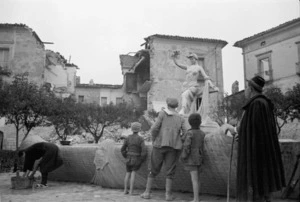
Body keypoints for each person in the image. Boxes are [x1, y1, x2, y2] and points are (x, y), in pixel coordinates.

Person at [236, 75, 285, 202]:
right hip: (263, 152)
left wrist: (237, 131)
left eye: (246, 88)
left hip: (256, 155)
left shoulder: (257, 104)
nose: (245, 90)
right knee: (264, 189)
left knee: (258, 188)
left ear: (251, 89)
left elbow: (254, 131)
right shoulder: (262, 103)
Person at [141, 98, 187, 201]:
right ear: (176, 106)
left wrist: (154, 139)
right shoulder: (180, 117)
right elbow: (186, 132)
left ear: (167, 104)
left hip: (159, 145)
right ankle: (168, 195)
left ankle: (147, 192)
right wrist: (179, 140)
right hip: (174, 147)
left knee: (153, 168)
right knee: (170, 171)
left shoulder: (162, 114)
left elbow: (154, 128)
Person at [180, 113, 205, 202]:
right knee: (198, 179)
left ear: (189, 122)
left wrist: (183, 156)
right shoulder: (202, 133)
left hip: (191, 158)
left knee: (194, 179)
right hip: (200, 157)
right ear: (200, 122)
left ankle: (196, 199)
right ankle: (197, 197)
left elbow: (187, 146)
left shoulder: (190, 133)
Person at [121, 122, 147, 195]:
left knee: (127, 173)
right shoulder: (140, 139)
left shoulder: (127, 138)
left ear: (132, 129)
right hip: (136, 158)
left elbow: (122, 149)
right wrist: (141, 159)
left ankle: (125, 190)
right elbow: (144, 150)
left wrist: (125, 156)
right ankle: (131, 191)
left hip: (128, 158)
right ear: (139, 130)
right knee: (133, 174)